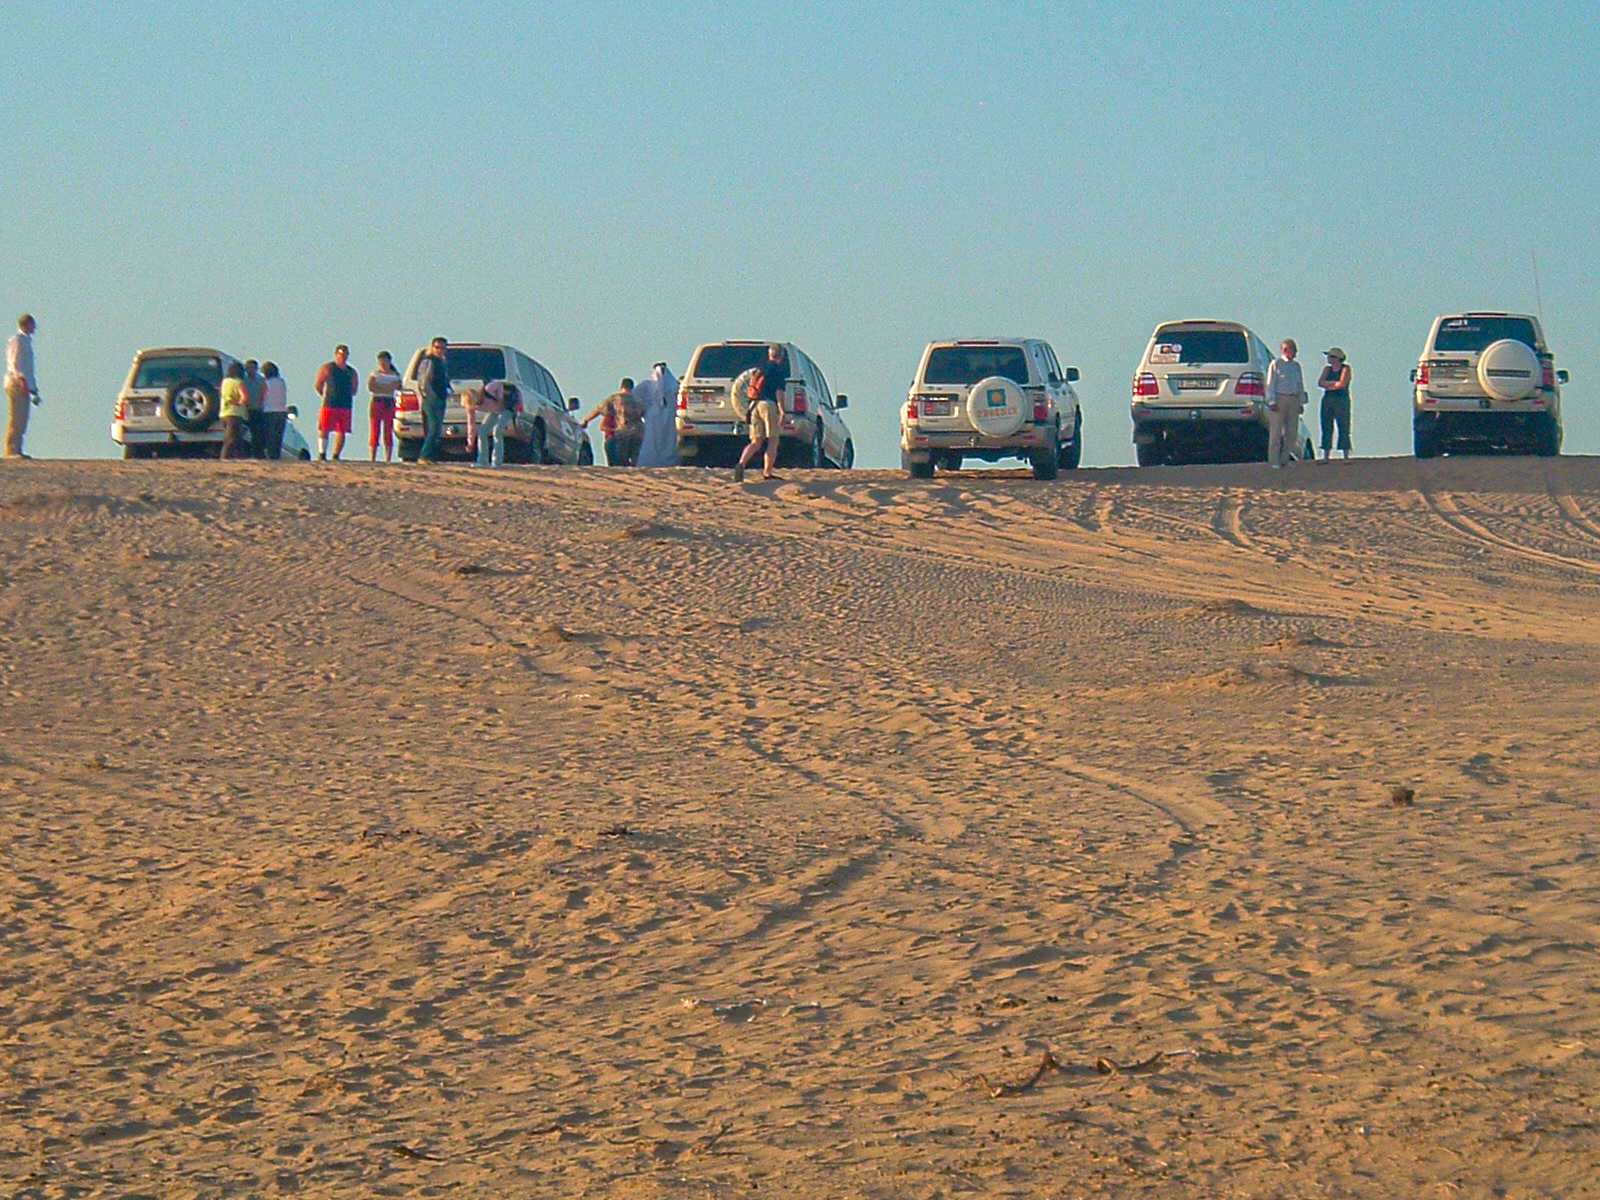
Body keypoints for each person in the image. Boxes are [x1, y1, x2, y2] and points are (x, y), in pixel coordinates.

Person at [734, 343, 789, 482]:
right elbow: (779, 392)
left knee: (756, 441)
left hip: (754, 405)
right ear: (781, 356)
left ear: (770, 354)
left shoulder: (760, 369)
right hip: (768, 405)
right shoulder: (777, 370)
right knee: (773, 440)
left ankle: (741, 464)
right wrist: (782, 411)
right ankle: (767, 472)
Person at [1263, 338, 1306, 469]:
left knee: (1292, 433)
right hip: (1280, 399)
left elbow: (1299, 384)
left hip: (1293, 399)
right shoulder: (1276, 364)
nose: (1296, 352)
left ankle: (1285, 459)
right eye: (1294, 349)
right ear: (1286, 350)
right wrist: (1271, 401)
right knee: (1276, 432)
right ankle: (1273, 460)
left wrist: (1301, 402)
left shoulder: (1296, 366)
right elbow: (1270, 384)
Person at [581, 379, 645, 466]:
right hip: (639, 431)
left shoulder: (616, 398)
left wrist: (586, 420)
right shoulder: (638, 400)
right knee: (635, 456)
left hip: (624, 431)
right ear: (632, 388)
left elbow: (598, 410)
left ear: (621, 387)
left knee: (622, 457)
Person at [314, 344, 360, 461]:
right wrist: (325, 395)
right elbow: (319, 384)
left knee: (342, 430)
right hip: (330, 403)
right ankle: (322, 453)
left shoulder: (351, 372)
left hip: (345, 404)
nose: (343, 357)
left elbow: (354, 389)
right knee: (324, 428)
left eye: (345, 354)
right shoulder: (328, 368)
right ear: (336, 355)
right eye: (341, 354)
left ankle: (336, 455)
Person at [4, 313, 40, 459]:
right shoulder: (17, 340)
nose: (35, 328)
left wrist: (34, 387)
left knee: (23, 418)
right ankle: (11, 450)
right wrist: (22, 380)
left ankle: (17, 449)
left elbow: (28, 367)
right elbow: (15, 363)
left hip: (24, 384)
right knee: (16, 417)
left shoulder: (26, 341)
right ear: (26, 324)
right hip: (17, 383)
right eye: (33, 324)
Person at [634, 361, 681, 468]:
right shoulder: (647, 385)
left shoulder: (674, 386)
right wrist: (646, 407)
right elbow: (635, 396)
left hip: (669, 415)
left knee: (669, 439)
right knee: (652, 440)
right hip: (653, 417)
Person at [416, 336, 450, 463]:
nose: (440, 350)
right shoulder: (429, 361)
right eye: (437, 347)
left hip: (441, 397)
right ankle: (423, 455)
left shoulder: (442, 362)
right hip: (431, 399)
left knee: (437, 429)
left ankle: (431, 456)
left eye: (442, 348)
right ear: (432, 347)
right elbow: (424, 381)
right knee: (433, 427)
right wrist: (430, 395)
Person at [468, 380, 516, 468]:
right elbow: (471, 425)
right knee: (482, 432)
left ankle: (497, 462)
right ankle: (482, 461)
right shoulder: (471, 408)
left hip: (507, 409)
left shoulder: (488, 389)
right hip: (494, 411)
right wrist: (470, 442)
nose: (476, 406)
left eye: (476, 404)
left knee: (497, 431)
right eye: (473, 406)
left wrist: (500, 398)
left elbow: (499, 384)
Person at [1318, 347, 1353, 461]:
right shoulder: (1327, 369)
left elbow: (1342, 384)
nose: (1328, 359)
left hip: (1341, 399)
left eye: (1331, 357)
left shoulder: (1345, 368)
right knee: (1326, 425)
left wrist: (1329, 385)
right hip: (1328, 399)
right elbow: (1320, 382)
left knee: (1343, 426)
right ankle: (1326, 455)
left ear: (1337, 358)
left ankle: (1345, 455)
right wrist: (1333, 384)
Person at [368, 350, 401, 462]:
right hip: (377, 401)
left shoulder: (395, 375)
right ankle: (373, 457)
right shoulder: (375, 374)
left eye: (385, 361)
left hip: (389, 402)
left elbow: (396, 386)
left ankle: (388, 457)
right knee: (375, 429)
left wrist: (381, 386)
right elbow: (371, 387)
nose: (382, 363)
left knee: (388, 429)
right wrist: (387, 387)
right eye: (380, 361)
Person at [218, 361, 249, 460]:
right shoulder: (238, 383)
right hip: (235, 413)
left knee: (231, 437)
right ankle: (225, 457)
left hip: (223, 413)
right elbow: (244, 398)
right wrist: (239, 403)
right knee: (232, 439)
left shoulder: (225, 382)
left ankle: (238, 456)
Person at [259, 361, 289, 459]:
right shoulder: (281, 382)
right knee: (278, 436)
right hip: (281, 411)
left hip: (269, 411)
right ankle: (276, 455)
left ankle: (270, 456)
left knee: (269, 436)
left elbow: (261, 397)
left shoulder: (265, 383)